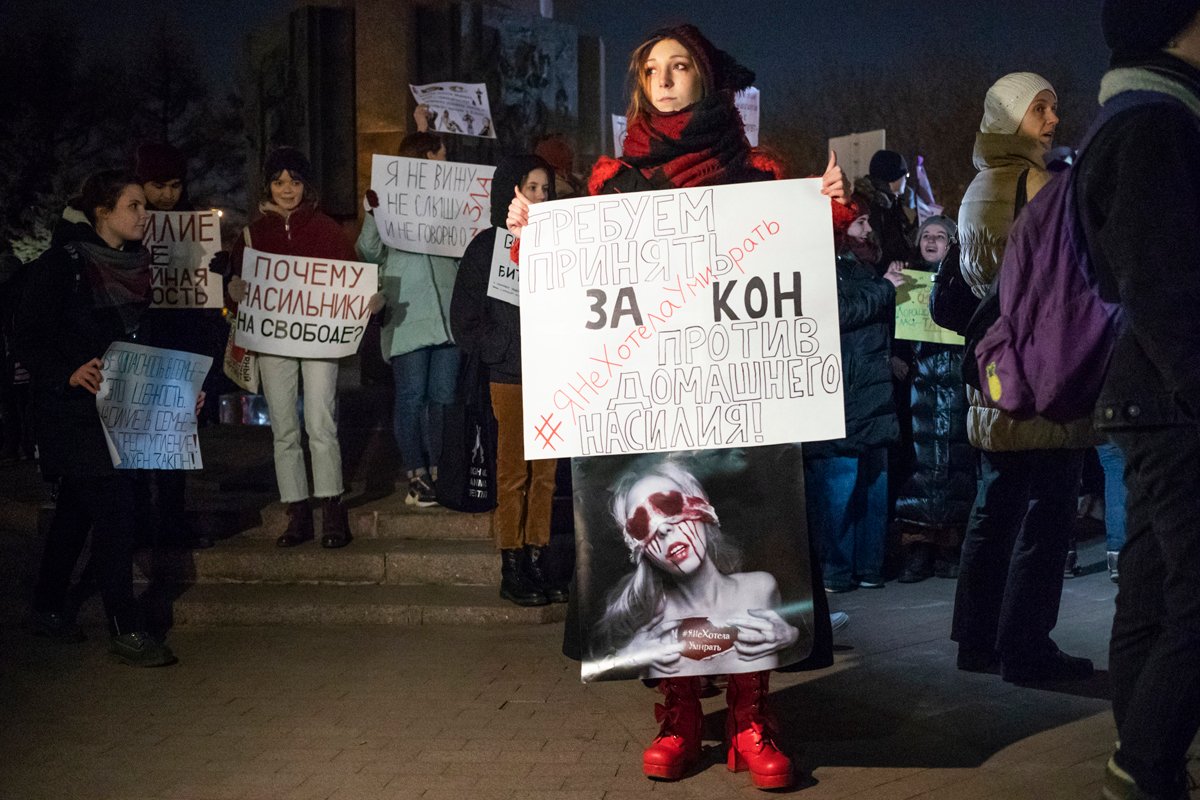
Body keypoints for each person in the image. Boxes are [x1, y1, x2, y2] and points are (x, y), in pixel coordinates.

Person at [507, 23, 853, 792]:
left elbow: (793, 265)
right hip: (650, 413)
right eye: (652, 70)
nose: (664, 79)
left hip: (743, 411)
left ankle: (752, 717)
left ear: (706, 78)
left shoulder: (758, 174)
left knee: (751, 547)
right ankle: (680, 715)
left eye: (680, 65)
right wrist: (532, 240)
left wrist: (827, 215)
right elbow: (573, 282)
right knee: (669, 573)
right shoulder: (611, 183)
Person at [1076, 4, 1200, 797]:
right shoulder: (1158, 123)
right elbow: (1163, 283)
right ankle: (1145, 762)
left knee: (1151, 597)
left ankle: (1146, 762)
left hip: (1145, 396)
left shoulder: (1129, 115)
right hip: (1171, 398)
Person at [951, 72, 1101, 684]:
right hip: (1043, 373)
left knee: (995, 508)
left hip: (996, 371)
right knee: (1047, 514)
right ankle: (1026, 645)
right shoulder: (1037, 184)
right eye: (1040, 109)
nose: (1053, 119)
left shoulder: (979, 185)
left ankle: (977, 639)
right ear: (1011, 117)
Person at [17, 170, 194, 667]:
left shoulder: (140, 264)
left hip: (120, 409)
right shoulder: (64, 264)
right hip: (74, 414)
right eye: (133, 206)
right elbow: (27, 334)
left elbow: (147, 345)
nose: (144, 214)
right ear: (103, 212)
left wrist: (178, 393)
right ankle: (126, 627)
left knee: (76, 512)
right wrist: (68, 371)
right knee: (117, 512)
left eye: (143, 206)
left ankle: (47, 607)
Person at [227, 147, 359, 549]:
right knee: (283, 426)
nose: (287, 190)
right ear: (267, 186)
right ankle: (297, 510)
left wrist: (368, 300)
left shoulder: (328, 230)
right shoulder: (252, 235)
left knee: (321, 421)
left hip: (319, 338)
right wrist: (235, 292)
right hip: (273, 341)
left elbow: (351, 279)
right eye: (279, 182)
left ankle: (332, 506)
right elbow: (237, 292)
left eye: (295, 181)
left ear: (307, 186)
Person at [451, 154, 565, 607]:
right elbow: (464, 317)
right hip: (509, 375)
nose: (539, 196)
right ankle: (512, 565)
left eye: (545, 189)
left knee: (545, 476)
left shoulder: (559, 242)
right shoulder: (486, 248)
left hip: (551, 373)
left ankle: (538, 559)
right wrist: (500, 349)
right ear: (511, 191)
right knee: (514, 472)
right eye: (531, 188)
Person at [591, 460, 800, 679]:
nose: (663, 528)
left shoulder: (762, 588)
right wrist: (625, 658)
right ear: (637, 548)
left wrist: (791, 635)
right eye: (642, 524)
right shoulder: (645, 620)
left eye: (669, 505)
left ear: (703, 508)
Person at [804, 197, 905, 593]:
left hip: (871, 393)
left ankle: (869, 566)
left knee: (872, 489)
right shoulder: (824, 266)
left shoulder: (863, 267)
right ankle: (837, 570)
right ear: (839, 228)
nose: (868, 230)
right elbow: (839, 312)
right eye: (859, 222)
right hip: (843, 393)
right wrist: (885, 287)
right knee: (839, 487)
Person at [358, 132, 459, 507]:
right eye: (441, 155)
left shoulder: (449, 201)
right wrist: (373, 214)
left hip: (447, 317)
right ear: (427, 157)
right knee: (413, 397)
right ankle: (417, 473)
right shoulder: (388, 199)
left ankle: (439, 470)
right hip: (408, 313)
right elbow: (368, 251)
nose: (445, 162)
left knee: (443, 398)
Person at [133, 141, 216, 550]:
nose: (168, 194)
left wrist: (215, 270)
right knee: (135, 434)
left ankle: (171, 519)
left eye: (175, 185)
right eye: (159, 185)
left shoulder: (192, 224)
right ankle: (137, 521)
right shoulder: (129, 222)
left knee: (174, 435)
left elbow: (202, 288)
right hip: (139, 339)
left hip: (180, 341)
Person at [894, 216, 975, 582]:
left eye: (939, 236)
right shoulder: (907, 280)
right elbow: (893, 332)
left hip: (956, 386)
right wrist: (895, 356)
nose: (931, 241)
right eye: (926, 235)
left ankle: (948, 546)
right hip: (918, 389)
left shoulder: (965, 281)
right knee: (919, 469)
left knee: (954, 467)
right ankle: (917, 548)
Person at [854, 149, 918, 268]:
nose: (906, 180)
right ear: (894, 177)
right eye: (905, 175)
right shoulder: (871, 206)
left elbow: (903, 242)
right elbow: (875, 251)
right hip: (882, 276)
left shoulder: (892, 204)